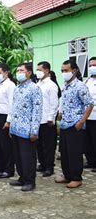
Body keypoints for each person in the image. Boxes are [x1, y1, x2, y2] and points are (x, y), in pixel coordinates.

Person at [56, 60, 94, 188]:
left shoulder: (80, 86)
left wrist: (82, 121)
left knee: (74, 152)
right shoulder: (65, 85)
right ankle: (67, 175)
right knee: (65, 152)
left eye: (66, 70)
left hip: (75, 124)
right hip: (65, 123)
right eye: (62, 71)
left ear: (74, 71)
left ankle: (77, 177)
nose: (64, 73)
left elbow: (89, 104)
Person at [8, 63, 43, 191]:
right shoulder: (17, 88)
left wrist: (34, 131)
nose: (19, 73)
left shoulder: (34, 88)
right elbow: (13, 108)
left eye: (21, 70)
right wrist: (11, 125)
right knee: (18, 156)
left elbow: (37, 110)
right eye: (17, 70)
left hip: (27, 130)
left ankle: (29, 181)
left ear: (29, 73)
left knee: (27, 157)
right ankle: (22, 177)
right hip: (16, 128)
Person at [0, 63, 16, 178]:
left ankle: (8, 169)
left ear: (6, 72)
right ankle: (0, 166)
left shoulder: (10, 85)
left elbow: (12, 104)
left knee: (6, 145)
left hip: (5, 117)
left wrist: (9, 121)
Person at [35, 61, 59, 177]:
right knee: (39, 145)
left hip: (47, 120)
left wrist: (51, 118)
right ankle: (42, 164)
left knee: (48, 145)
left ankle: (49, 166)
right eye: (37, 70)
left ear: (46, 70)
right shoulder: (37, 84)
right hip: (37, 119)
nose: (37, 72)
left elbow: (54, 103)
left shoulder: (51, 85)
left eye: (40, 70)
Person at [84, 56, 96, 172]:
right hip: (87, 115)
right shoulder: (88, 80)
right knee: (88, 141)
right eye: (91, 65)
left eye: (94, 65)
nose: (92, 67)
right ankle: (91, 161)